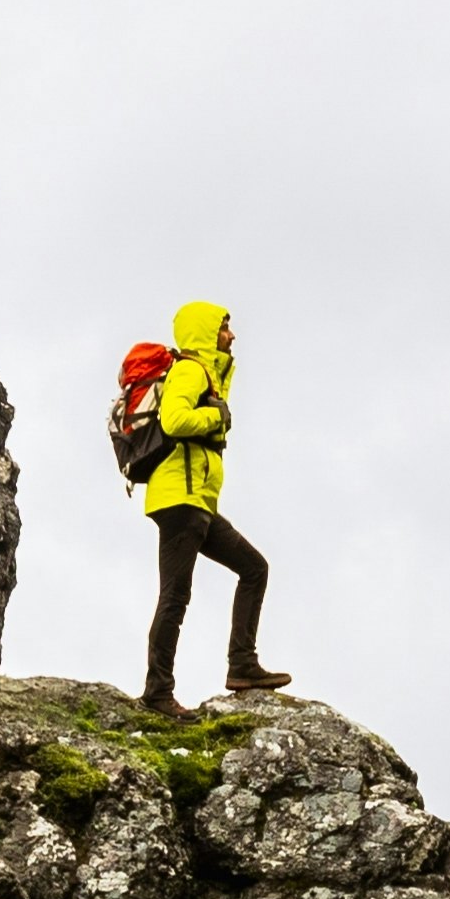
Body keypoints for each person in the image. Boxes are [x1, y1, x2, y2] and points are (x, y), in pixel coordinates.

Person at [138, 296, 289, 709]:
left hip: (197, 502)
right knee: (175, 595)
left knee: (254, 568)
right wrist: (216, 417)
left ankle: (242, 666)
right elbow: (174, 421)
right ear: (206, 333)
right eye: (224, 327)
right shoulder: (189, 370)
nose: (232, 334)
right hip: (179, 500)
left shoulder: (205, 375)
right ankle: (157, 693)